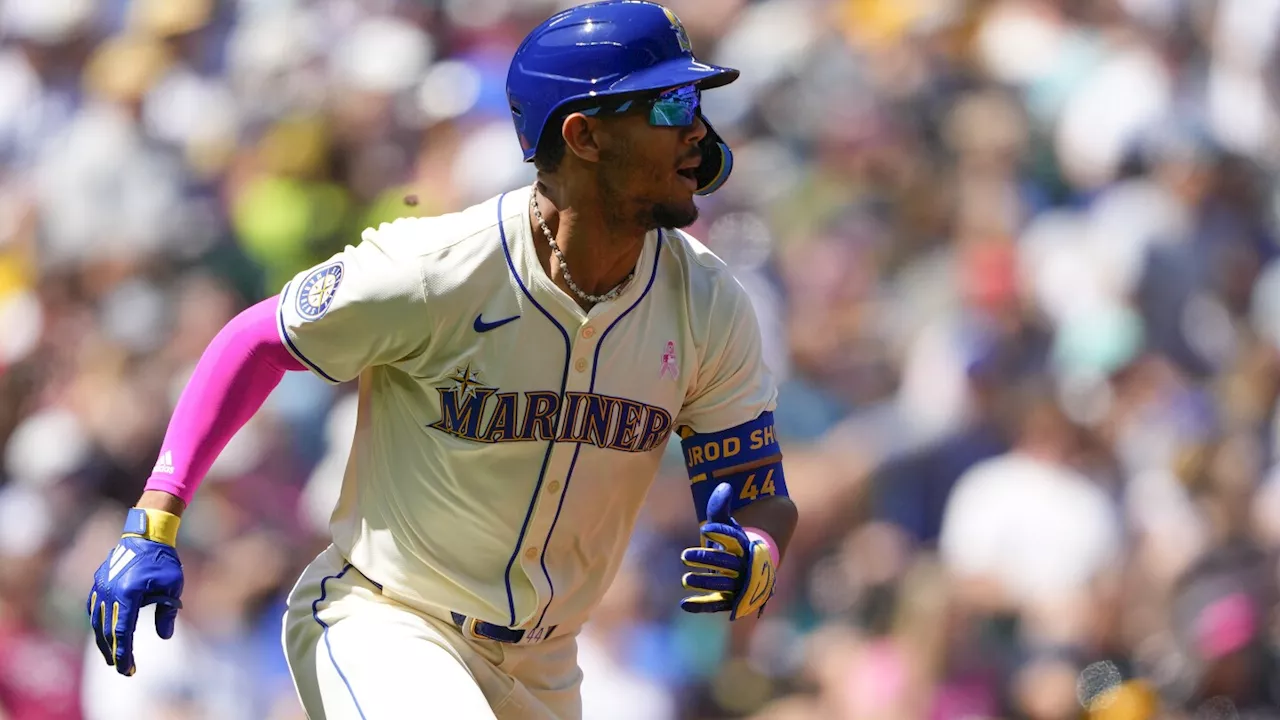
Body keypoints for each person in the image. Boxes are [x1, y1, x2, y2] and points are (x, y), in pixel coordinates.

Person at [84, 1, 799, 718]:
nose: (700, 132)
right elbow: (256, 340)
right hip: (388, 621)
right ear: (584, 135)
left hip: (549, 664)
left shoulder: (710, 304)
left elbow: (754, 490)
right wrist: (155, 519)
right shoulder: (439, 269)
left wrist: (756, 553)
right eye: (673, 104)